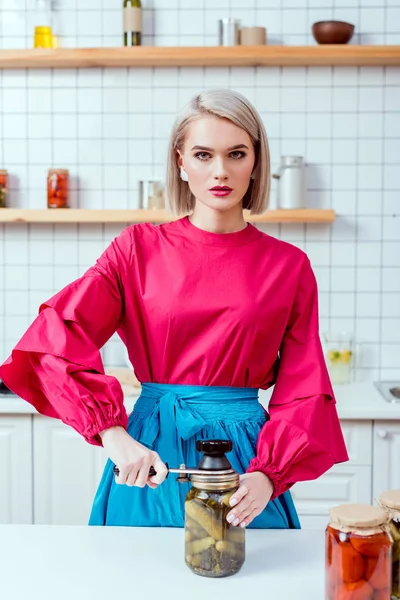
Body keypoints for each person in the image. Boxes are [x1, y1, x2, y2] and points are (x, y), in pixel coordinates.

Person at [0, 89, 348, 530]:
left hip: (246, 461)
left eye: (236, 154)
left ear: (256, 162)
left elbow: (305, 386)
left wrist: (268, 474)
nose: (220, 171)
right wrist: (112, 434)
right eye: (203, 155)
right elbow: (54, 339)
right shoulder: (136, 250)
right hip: (149, 454)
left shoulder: (289, 266)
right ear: (181, 162)